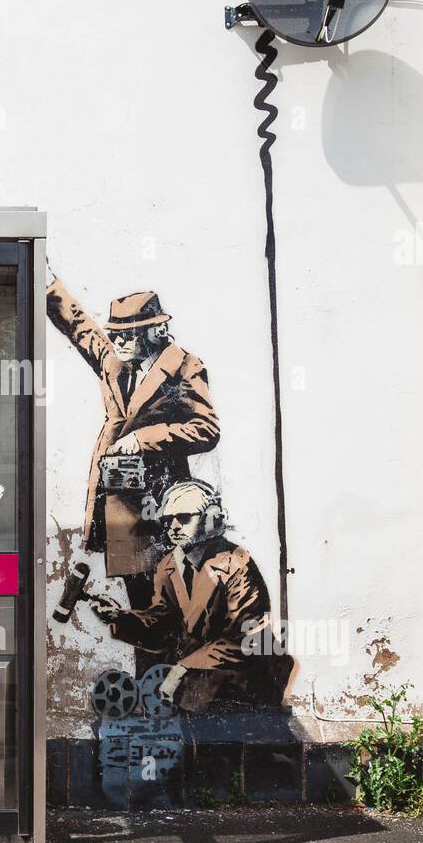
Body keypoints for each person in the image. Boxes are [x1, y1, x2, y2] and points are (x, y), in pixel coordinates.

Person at [46, 274, 219, 603]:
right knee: (141, 603)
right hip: (117, 505)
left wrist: (145, 438)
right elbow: (80, 328)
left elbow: (207, 429)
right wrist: (48, 285)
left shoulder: (184, 367)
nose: (119, 342)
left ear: (155, 332)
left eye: (129, 335)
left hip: (160, 507)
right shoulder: (113, 362)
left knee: (164, 605)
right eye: (116, 335)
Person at [89, 479, 285, 713]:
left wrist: (184, 667)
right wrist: (119, 618)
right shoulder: (168, 565)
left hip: (238, 687)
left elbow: (247, 638)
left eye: (183, 518)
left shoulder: (237, 564)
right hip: (192, 687)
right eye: (167, 519)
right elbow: (162, 626)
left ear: (211, 519)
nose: (173, 527)